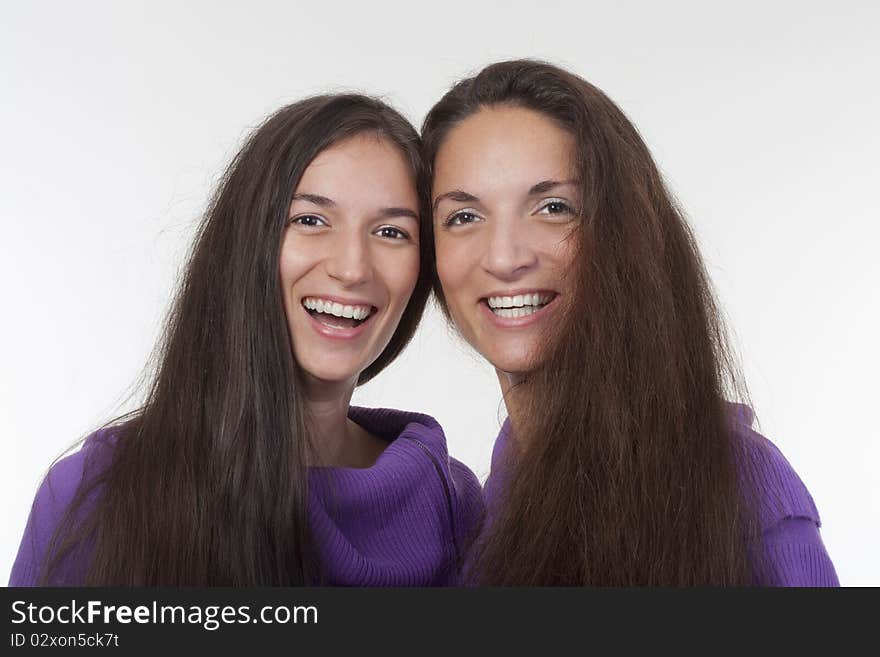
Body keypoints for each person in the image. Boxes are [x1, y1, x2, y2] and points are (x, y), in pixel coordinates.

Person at [10, 94, 482, 586]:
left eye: (390, 231)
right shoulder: (94, 496)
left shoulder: (453, 504)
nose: (351, 268)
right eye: (310, 220)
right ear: (247, 240)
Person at [422, 60, 838, 586]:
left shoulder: (739, 481)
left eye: (553, 207)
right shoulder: (485, 509)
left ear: (622, 234)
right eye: (463, 216)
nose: (504, 258)